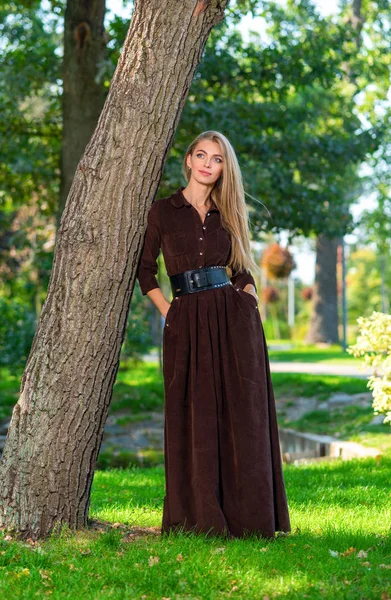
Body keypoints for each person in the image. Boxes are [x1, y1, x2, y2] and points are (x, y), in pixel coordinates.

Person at [136, 130, 291, 540]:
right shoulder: (162, 211)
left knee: (241, 414)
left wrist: (249, 301)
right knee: (193, 413)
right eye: (201, 155)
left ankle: (249, 519)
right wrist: (170, 312)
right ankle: (197, 516)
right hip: (185, 317)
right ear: (188, 160)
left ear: (224, 168)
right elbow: (145, 270)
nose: (208, 163)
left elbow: (241, 270)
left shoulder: (229, 212)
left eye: (217, 159)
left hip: (232, 319)